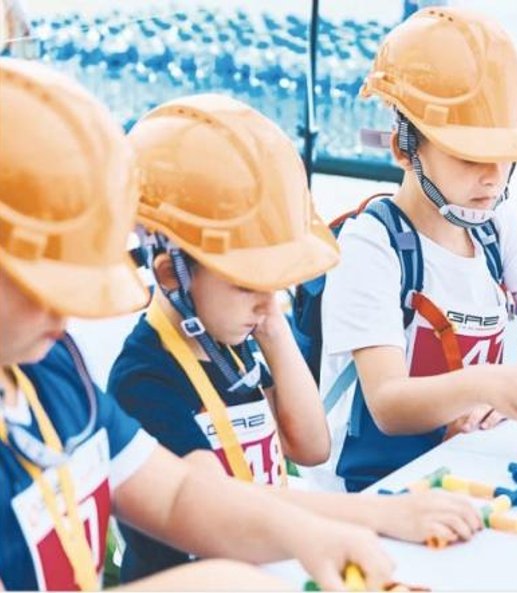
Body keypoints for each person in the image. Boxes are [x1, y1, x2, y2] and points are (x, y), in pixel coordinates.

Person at [0, 57, 392, 591]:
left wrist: (309, 534)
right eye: (40, 283)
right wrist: (217, 580)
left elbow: (175, 495)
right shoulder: (142, 374)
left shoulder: (51, 366)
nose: (64, 310)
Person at [315, 7, 517, 493]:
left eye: (505, 157)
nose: (492, 178)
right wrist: (490, 384)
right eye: (470, 157)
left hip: (461, 467)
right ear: (405, 148)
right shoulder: (372, 245)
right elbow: (388, 403)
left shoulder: (494, 229)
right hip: (374, 490)